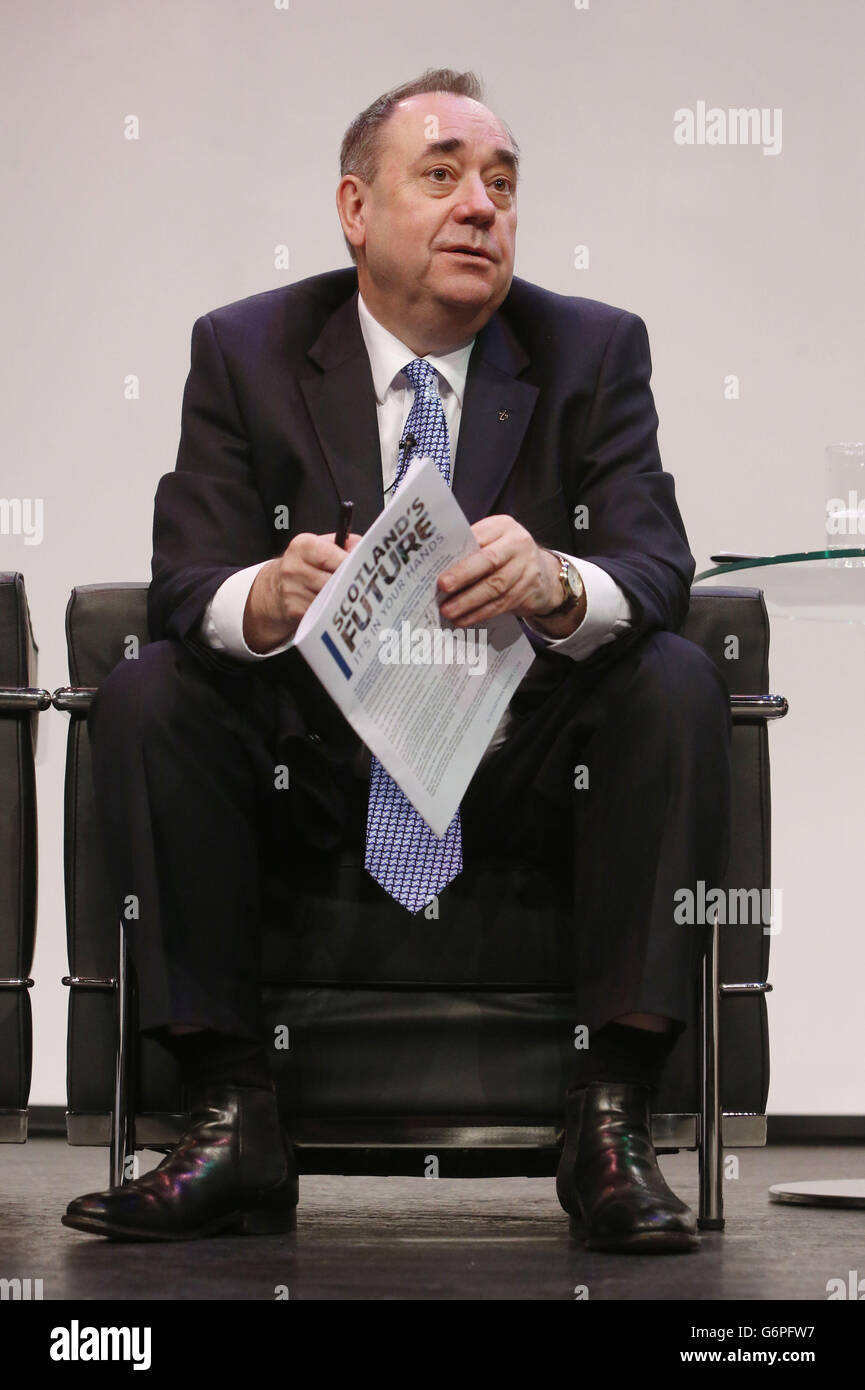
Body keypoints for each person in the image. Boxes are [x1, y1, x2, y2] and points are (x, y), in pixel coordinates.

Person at [63, 68, 731, 1253]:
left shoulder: (589, 351)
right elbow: (182, 584)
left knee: (674, 673)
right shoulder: (247, 350)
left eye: (503, 184)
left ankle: (612, 1122)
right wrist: (260, 601)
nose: (483, 206)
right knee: (149, 686)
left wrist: (561, 582)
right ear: (355, 210)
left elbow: (656, 565)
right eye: (443, 175)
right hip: (314, 778)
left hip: (526, 775)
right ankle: (230, 1118)